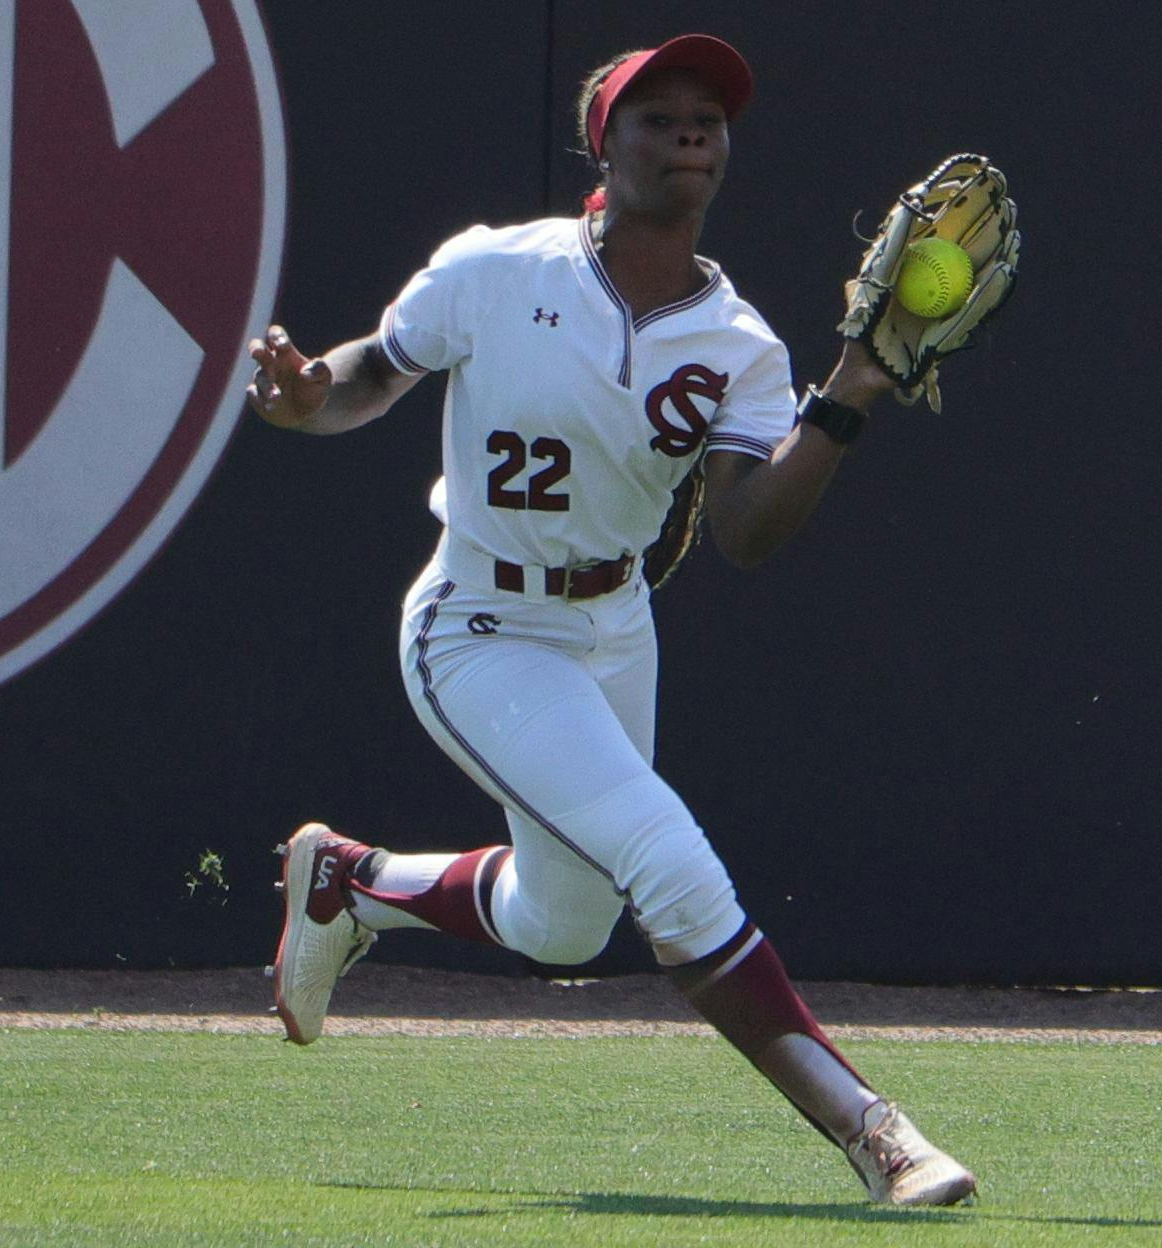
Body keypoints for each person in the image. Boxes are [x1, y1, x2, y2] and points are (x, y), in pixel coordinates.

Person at [246, 34, 976, 1207]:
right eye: (660, 115)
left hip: (613, 627)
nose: (691, 130)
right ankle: (875, 1132)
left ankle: (352, 883)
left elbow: (743, 532)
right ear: (608, 144)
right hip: (477, 622)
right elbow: (374, 372)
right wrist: (307, 396)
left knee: (564, 925)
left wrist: (845, 397)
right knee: (671, 864)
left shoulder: (737, 345)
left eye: (709, 117)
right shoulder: (496, 270)